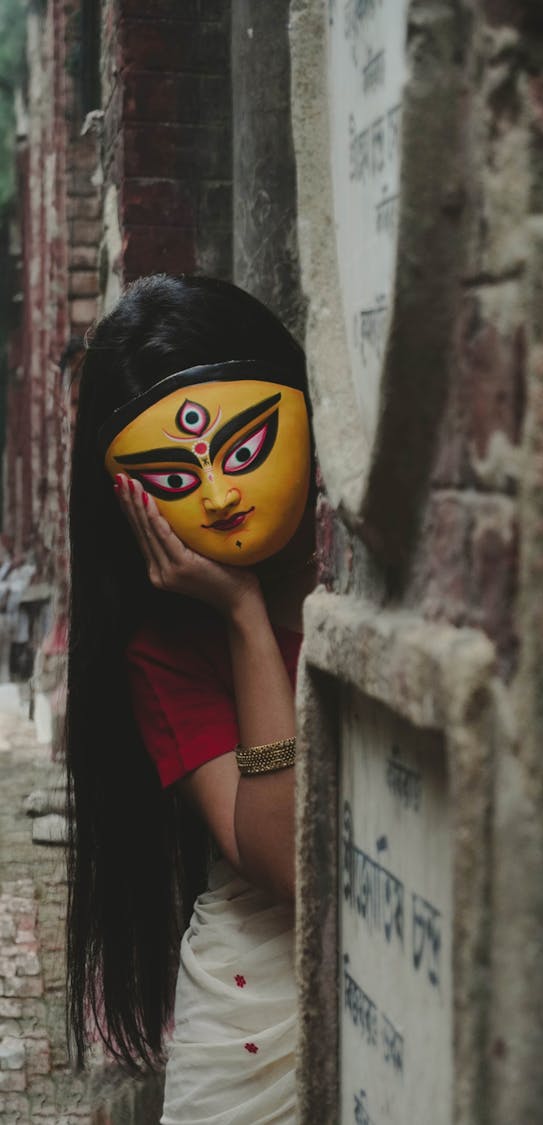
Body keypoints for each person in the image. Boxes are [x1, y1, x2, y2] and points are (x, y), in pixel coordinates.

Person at [65, 274, 317, 1123]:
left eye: (242, 451)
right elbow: (286, 861)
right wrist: (245, 618)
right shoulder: (165, 648)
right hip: (252, 1019)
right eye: (173, 476)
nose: (218, 495)